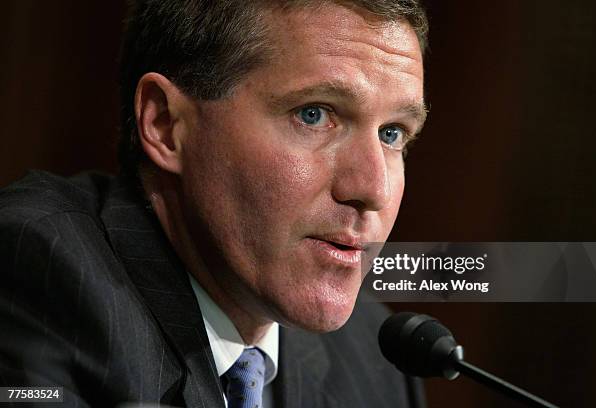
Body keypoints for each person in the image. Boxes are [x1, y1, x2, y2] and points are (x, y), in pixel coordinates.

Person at [0, 0, 428, 406]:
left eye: (392, 134)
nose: (374, 190)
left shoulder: (378, 360)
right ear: (167, 124)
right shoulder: (40, 269)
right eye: (313, 114)